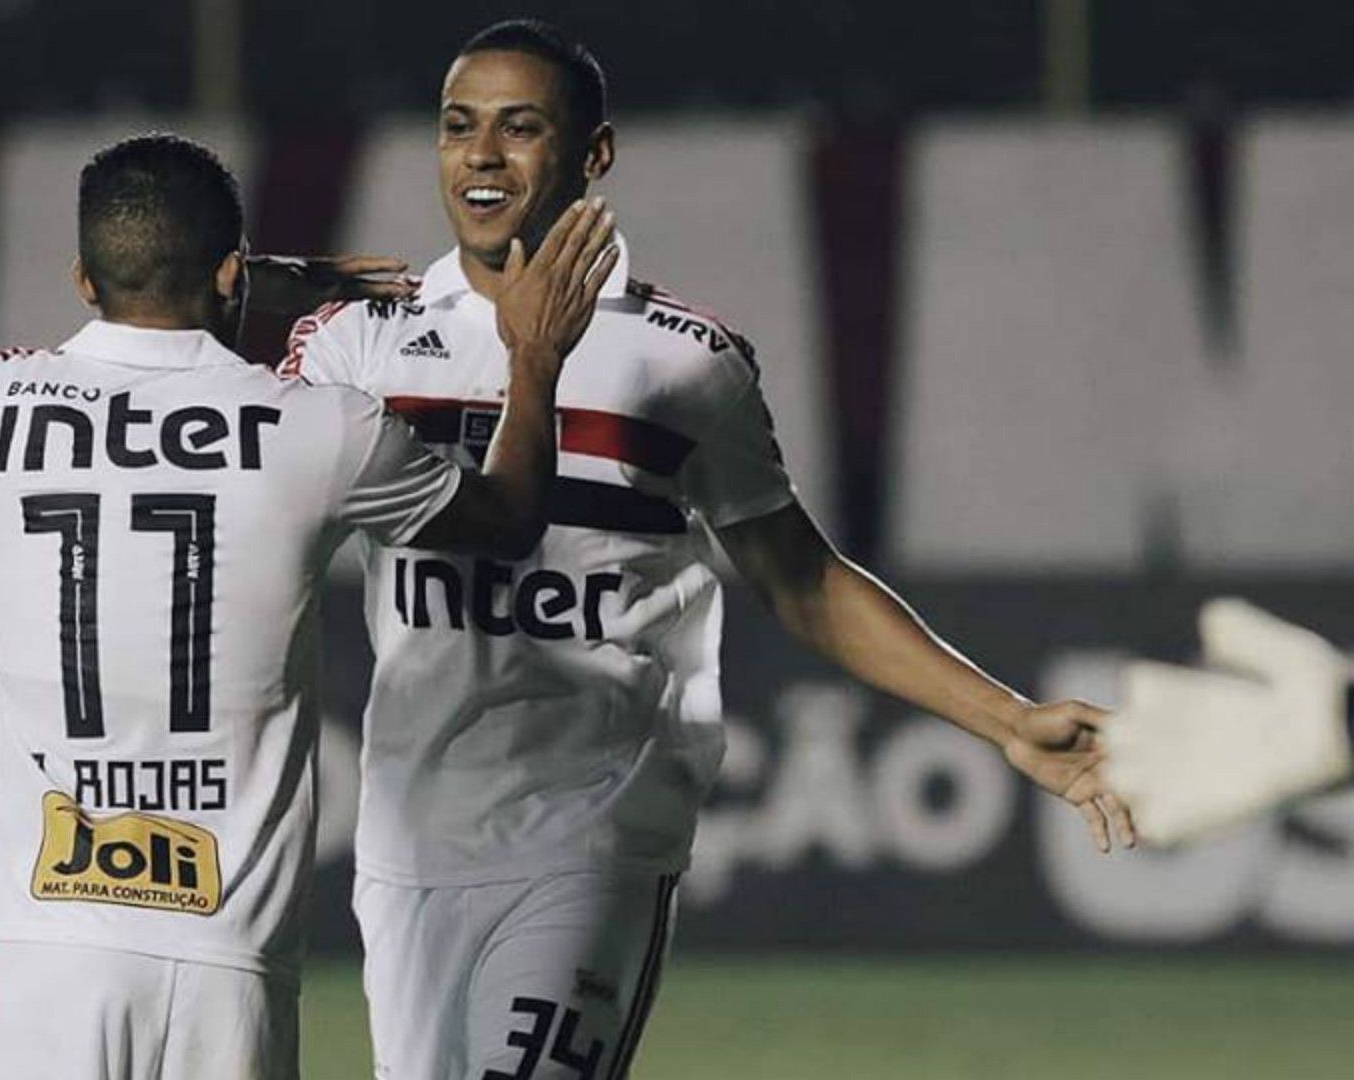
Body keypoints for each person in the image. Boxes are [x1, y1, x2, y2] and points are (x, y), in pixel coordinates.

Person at [272, 19, 1137, 1079]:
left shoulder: (682, 357)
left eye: (519, 127)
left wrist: (1007, 720)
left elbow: (800, 578)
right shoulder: (361, 341)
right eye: (459, 127)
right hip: (412, 839)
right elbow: (221, 456)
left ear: (593, 155)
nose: (481, 156)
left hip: (593, 833)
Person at [0, 132, 616, 1078]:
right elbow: (508, 519)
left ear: (84, 280)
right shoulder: (324, 426)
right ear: (228, 270)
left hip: (43, 946)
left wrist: (253, 284)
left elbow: (121, 357)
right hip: (230, 962)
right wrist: (535, 357)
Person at [1096, 598, 1353, 844]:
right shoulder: (1314, 676)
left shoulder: (1314, 673)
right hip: (1323, 753)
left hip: (1323, 748)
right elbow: (1218, 620)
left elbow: (1217, 618)